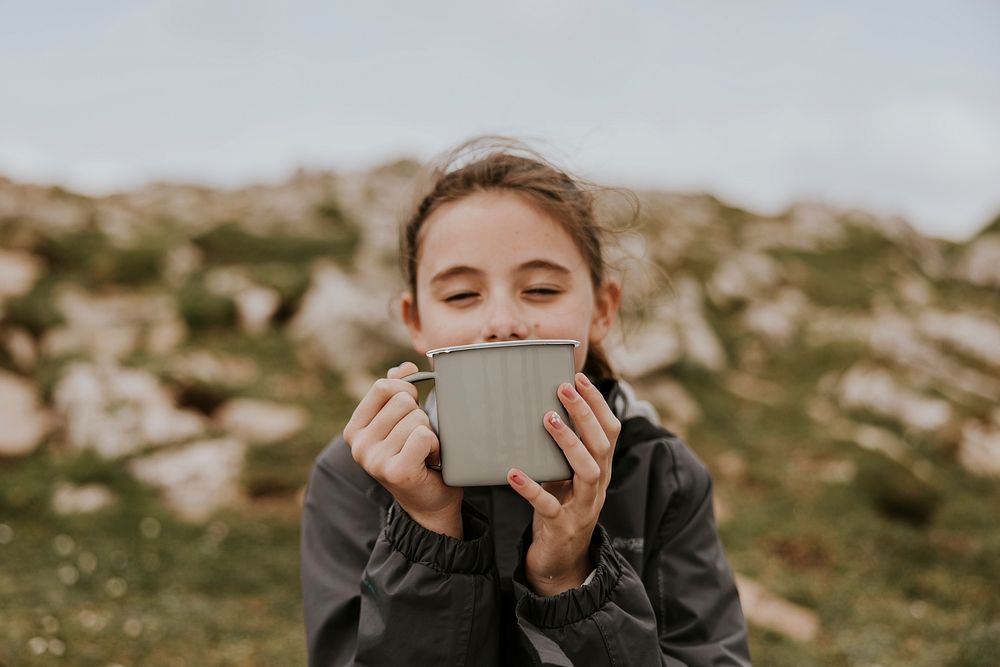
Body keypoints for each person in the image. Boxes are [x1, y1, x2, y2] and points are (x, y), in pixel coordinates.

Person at [301, 138, 751, 666]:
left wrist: (568, 574)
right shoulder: (354, 477)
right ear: (416, 322)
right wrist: (428, 535)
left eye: (540, 289)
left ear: (602, 309)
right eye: (461, 295)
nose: (503, 324)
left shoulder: (660, 474)